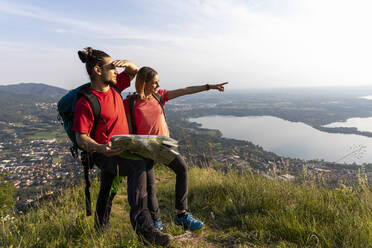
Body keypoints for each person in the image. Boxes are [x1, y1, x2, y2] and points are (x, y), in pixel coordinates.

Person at [72, 48, 173, 246]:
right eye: (112, 67)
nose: (116, 71)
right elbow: (81, 138)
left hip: (122, 150)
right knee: (138, 168)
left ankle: (100, 229)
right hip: (105, 153)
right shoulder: (87, 100)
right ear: (98, 70)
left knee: (107, 190)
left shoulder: (115, 88)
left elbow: (134, 71)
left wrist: (126, 64)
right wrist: (101, 148)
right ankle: (145, 229)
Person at [124, 66, 228, 231]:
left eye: (158, 82)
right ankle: (156, 221)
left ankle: (181, 214)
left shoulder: (159, 96)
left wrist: (210, 86)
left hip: (163, 145)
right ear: (143, 83)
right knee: (150, 187)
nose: (158, 86)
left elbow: (186, 90)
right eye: (154, 83)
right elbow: (129, 129)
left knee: (182, 168)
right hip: (144, 147)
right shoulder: (130, 102)